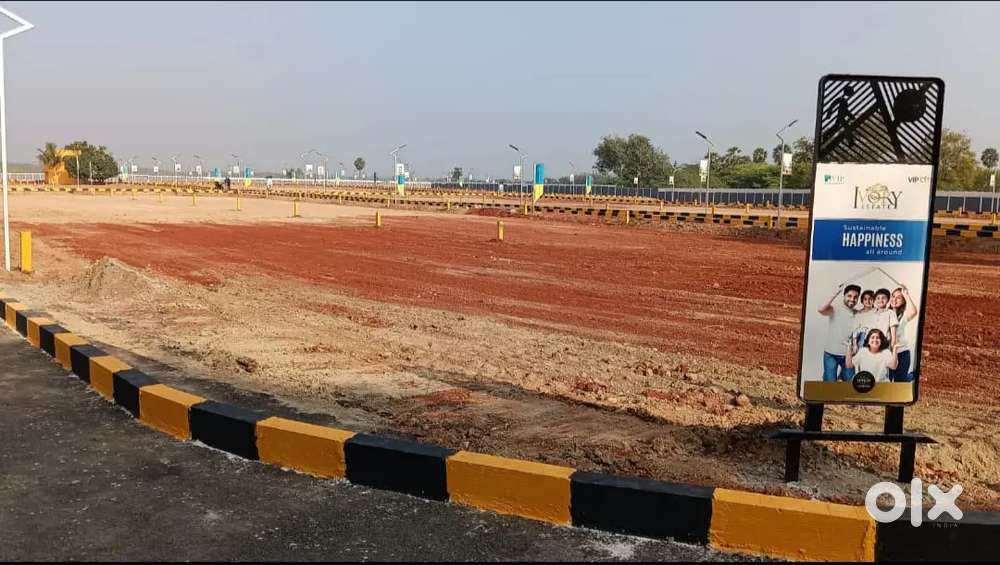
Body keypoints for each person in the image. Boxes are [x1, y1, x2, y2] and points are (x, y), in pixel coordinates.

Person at [818, 283, 860, 382]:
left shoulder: (857, 313)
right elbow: (820, 309)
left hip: (848, 355)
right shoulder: (835, 309)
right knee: (830, 385)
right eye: (849, 296)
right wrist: (836, 292)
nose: (852, 299)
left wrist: (855, 345)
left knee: (849, 385)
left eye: (855, 297)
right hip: (830, 354)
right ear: (844, 296)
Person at [888, 286, 918, 382]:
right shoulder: (884, 313)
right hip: (887, 355)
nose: (894, 299)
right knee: (887, 381)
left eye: (899, 297)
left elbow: (914, 312)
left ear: (903, 301)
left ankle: (913, 375)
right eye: (893, 296)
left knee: (899, 382)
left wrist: (906, 295)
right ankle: (911, 376)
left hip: (902, 354)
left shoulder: (903, 315)